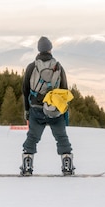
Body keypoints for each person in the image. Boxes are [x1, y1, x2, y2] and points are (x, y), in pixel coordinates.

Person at [21, 36, 74, 176]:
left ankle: (27, 166)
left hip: (36, 108)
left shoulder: (31, 67)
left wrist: (27, 110)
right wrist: (64, 109)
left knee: (32, 137)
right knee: (61, 137)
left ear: (38, 50)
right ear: (50, 49)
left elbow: (25, 90)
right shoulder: (58, 66)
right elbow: (64, 89)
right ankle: (67, 165)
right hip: (54, 108)